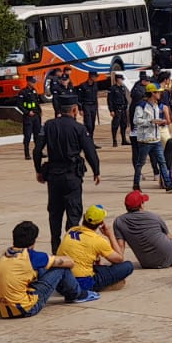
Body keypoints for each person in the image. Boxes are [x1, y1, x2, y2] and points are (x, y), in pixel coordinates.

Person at [33, 97, 101, 248]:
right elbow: (90, 151)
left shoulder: (48, 125)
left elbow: (37, 150)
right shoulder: (79, 128)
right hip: (72, 175)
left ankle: (55, 245)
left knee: (55, 212)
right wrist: (96, 170)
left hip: (54, 175)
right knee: (73, 211)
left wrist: (38, 171)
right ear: (74, 110)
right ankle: (70, 246)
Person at [0, 220, 96, 317]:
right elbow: (70, 262)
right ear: (34, 241)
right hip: (24, 309)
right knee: (62, 268)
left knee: (39, 269)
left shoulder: (6, 253)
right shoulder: (32, 256)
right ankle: (76, 294)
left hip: (3, 310)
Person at [56, 206, 135, 295]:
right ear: (101, 223)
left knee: (97, 266)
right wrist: (110, 235)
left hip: (61, 282)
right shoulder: (97, 240)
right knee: (128, 266)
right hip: (83, 283)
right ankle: (100, 286)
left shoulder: (71, 230)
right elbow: (119, 259)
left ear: (84, 217)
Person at [18, 80, 44, 158]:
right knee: (28, 135)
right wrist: (27, 112)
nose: (34, 84)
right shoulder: (23, 92)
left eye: (34, 82)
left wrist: (40, 111)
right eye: (32, 82)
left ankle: (39, 151)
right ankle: (27, 153)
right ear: (28, 82)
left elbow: (37, 102)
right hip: (28, 116)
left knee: (38, 135)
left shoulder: (34, 91)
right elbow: (19, 104)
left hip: (36, 116)